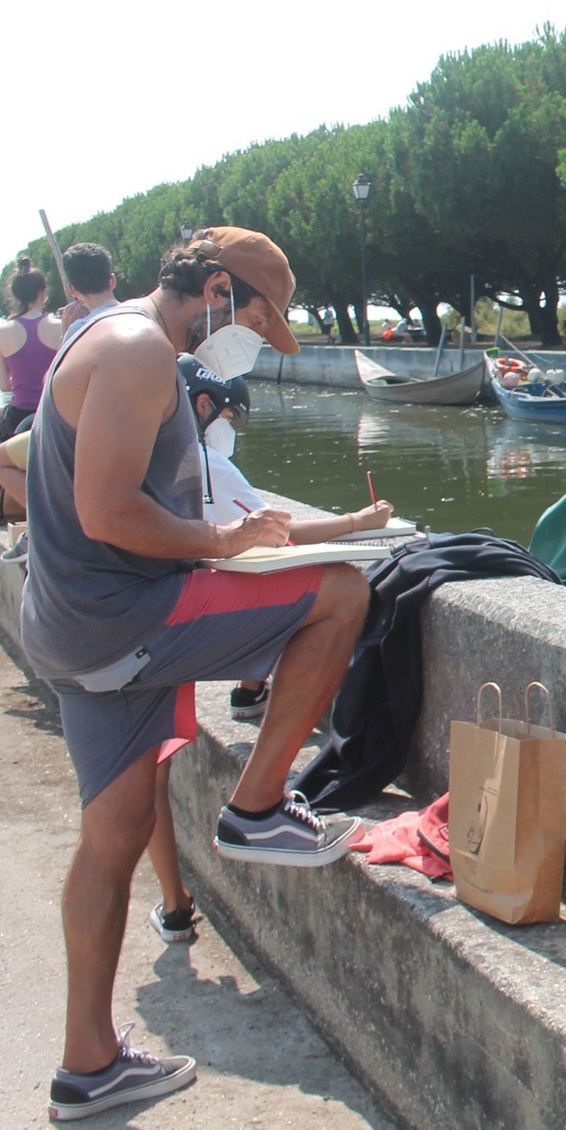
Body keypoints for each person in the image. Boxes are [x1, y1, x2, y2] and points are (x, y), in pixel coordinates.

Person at [21, 226, 371, 1122]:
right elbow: (107, 510)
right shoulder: (139, 349)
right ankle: (257, 807)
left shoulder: (99, 334)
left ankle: (88, 1065)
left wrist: (226, 537)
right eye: (253, 320)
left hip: (72, 629)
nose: (251, 341)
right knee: (342, 592)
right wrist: (223, 541)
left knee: (114, 835)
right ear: (216, 288)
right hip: (122, 620)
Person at [141, 355, 396, 945]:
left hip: (104, 622)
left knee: (141, 779)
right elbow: (274, 531)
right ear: (202, 406)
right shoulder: (200, 461)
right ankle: (256, 802)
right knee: (338, 594)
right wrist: (357, 521)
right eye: (227, 416)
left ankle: (174, 906)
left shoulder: (125, 452)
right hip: (166, 619)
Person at [0, 263, 62, 440]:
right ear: (43, 293)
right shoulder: (61, 327)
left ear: (15, 295)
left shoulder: (0, 333)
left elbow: (4, 386)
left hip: (19, 416)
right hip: (52, 414)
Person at [57, 241, 120, 330]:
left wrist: (66, 332)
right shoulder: (139, 311)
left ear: (72, 290)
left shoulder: (78, 329)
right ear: (112, 280)